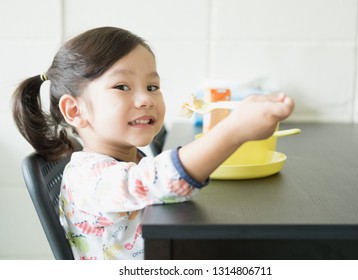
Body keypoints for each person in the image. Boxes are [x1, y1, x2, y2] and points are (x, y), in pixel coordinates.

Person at [12, 26, 295, 260]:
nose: (146, 99)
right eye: (122, 86)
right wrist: (235, 129)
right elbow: (162, 179)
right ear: (75, 111)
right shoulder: (89, 178)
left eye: (152, 87)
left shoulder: (131, 157)